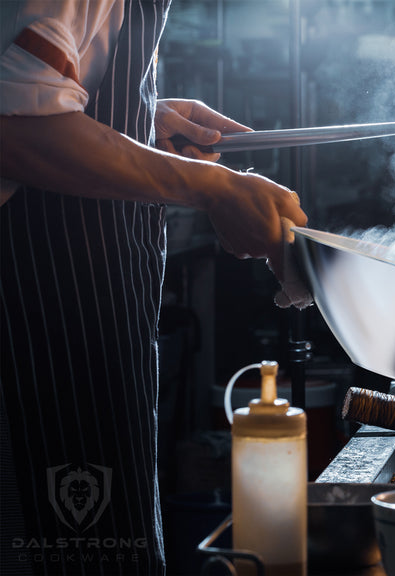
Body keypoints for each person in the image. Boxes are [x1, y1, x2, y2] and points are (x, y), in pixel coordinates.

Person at [0, 1, 308, 573]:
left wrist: (140, 119)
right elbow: (14, 127)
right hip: (29, 328)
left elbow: (33, 84)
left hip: (92, 324)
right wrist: (211, 187)